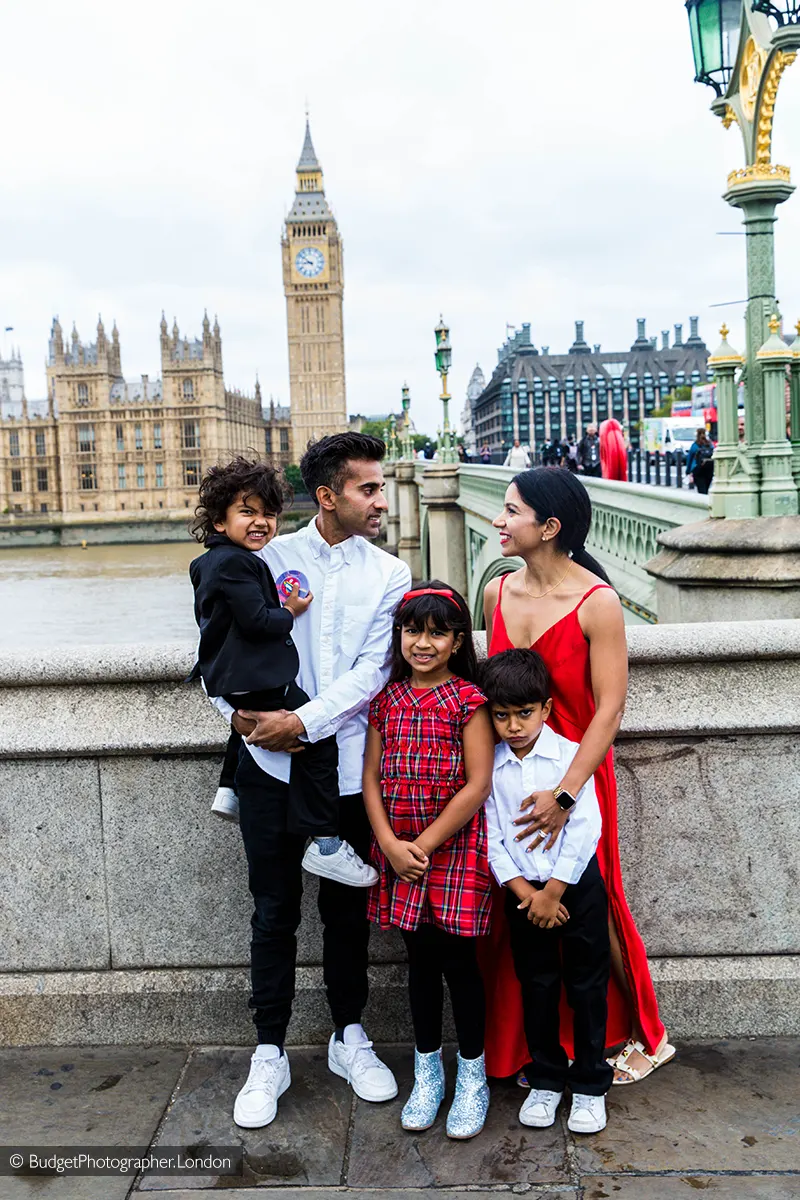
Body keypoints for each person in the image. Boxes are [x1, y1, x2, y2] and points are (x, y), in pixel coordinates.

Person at [209, 433, 412, 1129]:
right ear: (327, 496)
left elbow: (374, 672)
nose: (382, 499)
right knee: (272, 912)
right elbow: (216, 646)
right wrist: (238, 719)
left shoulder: (390, 573)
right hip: (267, 762)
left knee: (346, 912)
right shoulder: (267, 555)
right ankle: (269, 1049)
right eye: (369, 488)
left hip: (347, 765)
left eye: (381, 488)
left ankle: (347, 1035)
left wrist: (305, 723)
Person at [481, 466, 674, 1087]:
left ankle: (644, 1033)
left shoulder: (600, 603)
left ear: (550, 526)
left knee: (596, 902)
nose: (498, 521)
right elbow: (497, 696)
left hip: (580, 779)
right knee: (517, 908)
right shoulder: (497, 595)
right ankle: (527, 1049)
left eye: (511, 512)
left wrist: (566, 794)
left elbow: (610, 708)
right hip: (513, 776)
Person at [189, 457, 376, 888]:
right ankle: (327, 842)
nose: (262, 523)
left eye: (269, 514)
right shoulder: (245, 562)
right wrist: (289, 611)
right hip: (256, 680)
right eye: (249, 512)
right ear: (219, 521)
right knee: (317, 733)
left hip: (235, 679)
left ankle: (230, 789)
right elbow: (257, 621)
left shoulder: (215, 561)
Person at [363, 583, 495, 1139]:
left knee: (460, 965)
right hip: (399, 850)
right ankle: (427, 1073)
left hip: (454, 849)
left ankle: (472, 1075)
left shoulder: (469, 701)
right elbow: (370, 777)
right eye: (413, 630)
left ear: (457, 640)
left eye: (437, 632)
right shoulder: (386, 700)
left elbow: (478, 783)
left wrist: (427, 844)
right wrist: (392, 845)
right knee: (418, 964)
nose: (423, 642)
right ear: (399, 636)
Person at [482, 649, 612, 1134]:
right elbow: (491, 837)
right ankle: (546, 1077)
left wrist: (554, 890)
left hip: (574, 887)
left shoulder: (568, 757)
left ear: (546, 709)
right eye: (501, 715)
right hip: (522, 893)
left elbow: (586, 827)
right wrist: (525, 892)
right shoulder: (491, 768)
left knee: (586, 985)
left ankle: (591, 1084)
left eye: (524, 713)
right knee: (536, 983)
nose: (513, 725)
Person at [686, 428, 714, 495]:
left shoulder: (695, 445)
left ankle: (703, 503)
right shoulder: (710, 444)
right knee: (706, 489)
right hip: (709, 469)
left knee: (701, 490)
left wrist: (688, 472)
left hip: (698, 470)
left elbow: (689, 459)